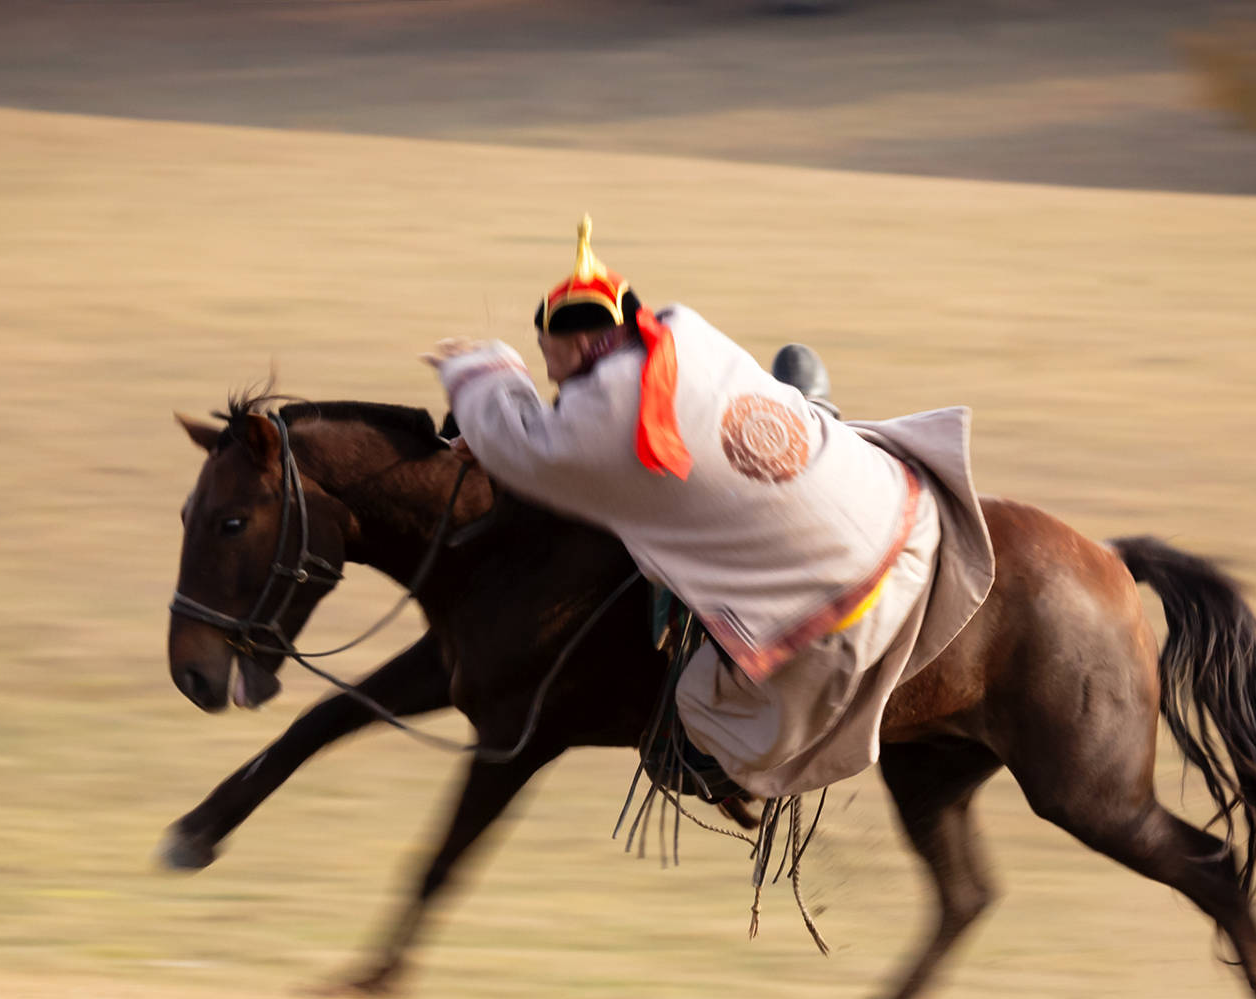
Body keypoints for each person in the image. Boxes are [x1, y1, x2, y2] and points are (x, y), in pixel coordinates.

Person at [425, 217, 994, 799]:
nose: (548, 374)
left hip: (845, 592)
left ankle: (740, 777)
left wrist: (478, 367)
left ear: (583, 342)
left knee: (699, 714)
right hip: (901, 509)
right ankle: (819, 414)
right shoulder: (681, 330)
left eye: (549, 358)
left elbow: (525, 450)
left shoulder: (606, 414)